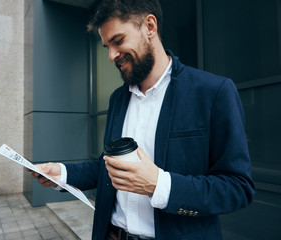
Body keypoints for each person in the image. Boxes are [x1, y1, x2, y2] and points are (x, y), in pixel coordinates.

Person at [27, 0, 256, 239]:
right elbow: (108, 168)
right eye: (107, 46)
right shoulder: (118, 99)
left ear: (149, 26)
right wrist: (61, 174)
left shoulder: (213, 92)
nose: (111, 55)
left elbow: (237, 187)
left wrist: (159, 185)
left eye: (118, 41)